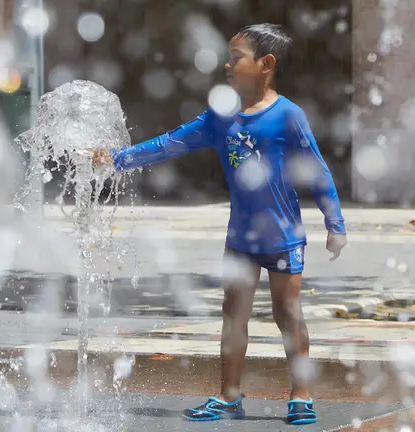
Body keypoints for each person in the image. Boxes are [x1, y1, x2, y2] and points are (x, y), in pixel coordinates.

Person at [93, 23, 347, 425]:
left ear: (266, 64)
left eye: (236, 57)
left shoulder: (288, 116)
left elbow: (317, 170)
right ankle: (229, 396)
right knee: (234, 316)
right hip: (240, 240)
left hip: (284, 237)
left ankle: (301, 394)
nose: (226, 64)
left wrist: (335, 223)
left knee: (288, 314)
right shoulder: (221, 116)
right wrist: (117, 157)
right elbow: (170, 142)